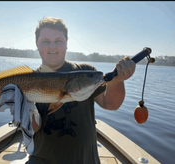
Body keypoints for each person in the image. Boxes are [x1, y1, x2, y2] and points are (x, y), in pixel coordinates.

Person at [26, 17, 135, 164]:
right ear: (36, 44)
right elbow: (34, 128)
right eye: (46, 41)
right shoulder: (28, 80)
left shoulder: (86, 72)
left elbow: (110, 104)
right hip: (42, 159)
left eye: (58, 41)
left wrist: (118, 80)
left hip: (85, 160)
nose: (52, 47)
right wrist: (24, 106)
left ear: (66, 43)